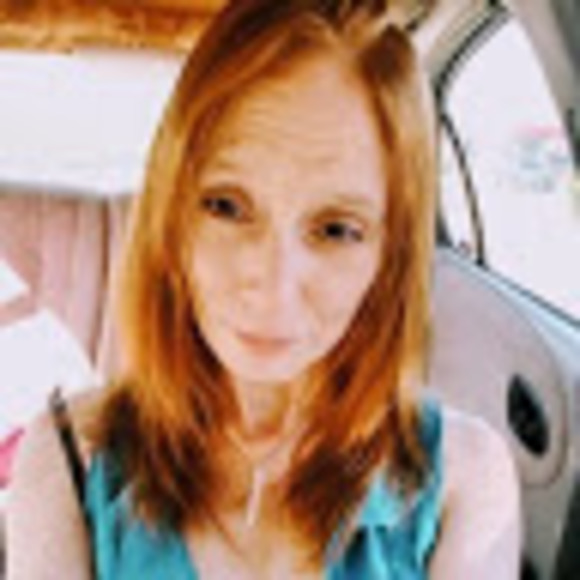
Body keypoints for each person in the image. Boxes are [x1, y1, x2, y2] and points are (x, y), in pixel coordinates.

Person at [6, 0, 521, 578]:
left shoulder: (465, 480)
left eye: (335, 230)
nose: (273, 289)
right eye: (227, 206)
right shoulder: (68, 459)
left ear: (390, 253)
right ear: (172, 216)